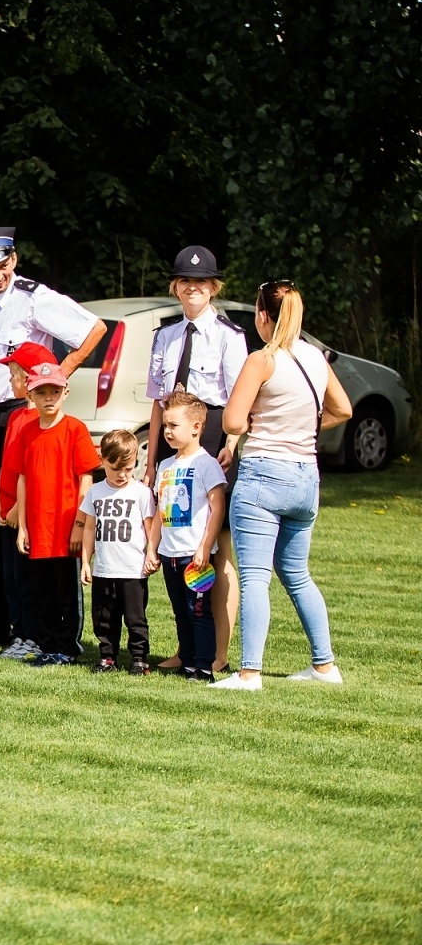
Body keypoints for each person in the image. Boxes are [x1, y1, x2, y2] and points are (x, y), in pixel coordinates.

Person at [0, 227, 106, 649]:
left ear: (14, 259)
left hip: (19, 411)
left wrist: (56, 375)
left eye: (3, 265)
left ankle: (32, 628)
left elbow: (93, 329)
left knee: (15, 524)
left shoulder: (34, 297)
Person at [212, 280, 352, 691]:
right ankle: (324, 666)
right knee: (297, 575)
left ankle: (249, 672)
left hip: (263, 476)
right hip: (306, 478)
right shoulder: (315, 357)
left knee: (255, 576)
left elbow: (233, 421)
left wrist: (254, 422)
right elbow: (343, 409)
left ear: (262, 315)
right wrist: (304, 425)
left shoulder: (262, 359)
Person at [145, 246, 249, 674]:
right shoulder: (165, 336)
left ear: (214, 288)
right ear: (175, 287)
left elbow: (240, 399)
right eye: (186, 281)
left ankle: (217, 650)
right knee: (177, 541)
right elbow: (157, 402)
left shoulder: (229, 336)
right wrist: (151, 459)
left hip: (215, 436)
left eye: (202, 282)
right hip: (174, 435)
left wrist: (232, 445)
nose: (193, 288)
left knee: (216, 546)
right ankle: (187, 647)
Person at [13, 361, 100, 666]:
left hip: (66, 526)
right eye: (41, 392)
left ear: (66, 392)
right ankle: (48, 645)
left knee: (67, 593)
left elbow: (86, 479)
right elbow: (22, 479)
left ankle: (67, 647)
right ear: (30, 395)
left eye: (54, 391)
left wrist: (79, 524)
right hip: (39, 528)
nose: (48, 397)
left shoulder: (75, 429)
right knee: (43, 592)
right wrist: (22, 527)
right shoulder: (27, 432)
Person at [151, 391, 228, 682]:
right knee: (180, 611)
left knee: (198, 610)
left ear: (196, 427)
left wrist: (205, 547)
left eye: (174, 425)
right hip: (169, 554)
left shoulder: (206, 464)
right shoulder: (164, 466)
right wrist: (152, 549)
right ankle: (187, 660)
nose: (167, 431)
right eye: (165, 425)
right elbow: (159, 511)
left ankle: (204, 666)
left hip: (194, 556)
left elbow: (217, 508)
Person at [0, 341, 57, 659]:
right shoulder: (16, 416)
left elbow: (34, 471)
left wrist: (20, 506)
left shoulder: (39, 421)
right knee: (11, 579)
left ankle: (33, 635)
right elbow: (9, 464)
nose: (10, 380)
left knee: (29, 580)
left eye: (14, 374)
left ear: (29, 379)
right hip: (6, 509)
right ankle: (19, 633)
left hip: (26, 513)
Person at [78, 429, 159, 675]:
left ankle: (138, 658)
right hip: (104, 569)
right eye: (115, 469)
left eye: (128, 468)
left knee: (135, 618)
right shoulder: (96, 492)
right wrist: (86, 562)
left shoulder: (141, 493)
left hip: (133, 570)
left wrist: (152, 554)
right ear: (102, 460)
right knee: (104, 618)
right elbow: (89, 529)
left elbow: (150, 528)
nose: (122, 475)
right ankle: (107, 657)